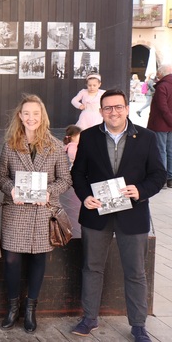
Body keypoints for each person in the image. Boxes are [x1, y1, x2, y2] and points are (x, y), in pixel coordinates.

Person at [70, 89, 166, 342]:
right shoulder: (89, 137)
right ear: (101, 111)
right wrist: (85, 196)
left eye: (118, 107)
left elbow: (158, 174)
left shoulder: (146, 137)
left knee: (135, 272)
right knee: (92, 267)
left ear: (127, 108)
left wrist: (140, 190)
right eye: (108, 108)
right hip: (96, 213)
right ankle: (89, 318)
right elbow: (78, 173)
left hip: (132, 215)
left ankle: (138, 325)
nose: (113, 112)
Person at [0, 94, 72, 333]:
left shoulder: (56, 146)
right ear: (20, 116)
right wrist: (12, 189)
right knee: (11, 260)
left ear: (43, 117)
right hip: (16, 210)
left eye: (35, 114)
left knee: (39, 259)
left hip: (43, 213)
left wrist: (49, 192)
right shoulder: (10, 145)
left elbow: (65, 179)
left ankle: (30, 310)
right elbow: (1, 176)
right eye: (26, 113)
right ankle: (12, 308)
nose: (31, 118)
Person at [147, 64, 172, 189]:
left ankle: (161, 179)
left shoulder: (162, 86)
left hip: (161, 124)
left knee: (161, 151)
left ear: (162, 73)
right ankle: (170, 178)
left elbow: (162, 107)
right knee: (170, 151)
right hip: (169, 125)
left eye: (158, 72)